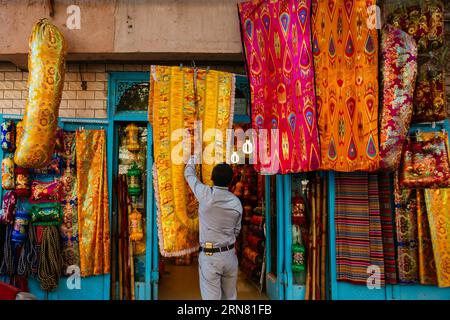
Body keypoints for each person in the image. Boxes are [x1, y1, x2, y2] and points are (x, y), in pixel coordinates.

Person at [184, 155, 243, 300]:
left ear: (211, 178)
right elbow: (237, 230)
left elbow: (188, 174)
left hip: (210, 257)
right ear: (231, 181)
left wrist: (194, 157)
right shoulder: (236, 203)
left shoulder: (205, 194)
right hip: (229, 256)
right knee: (230, 298)